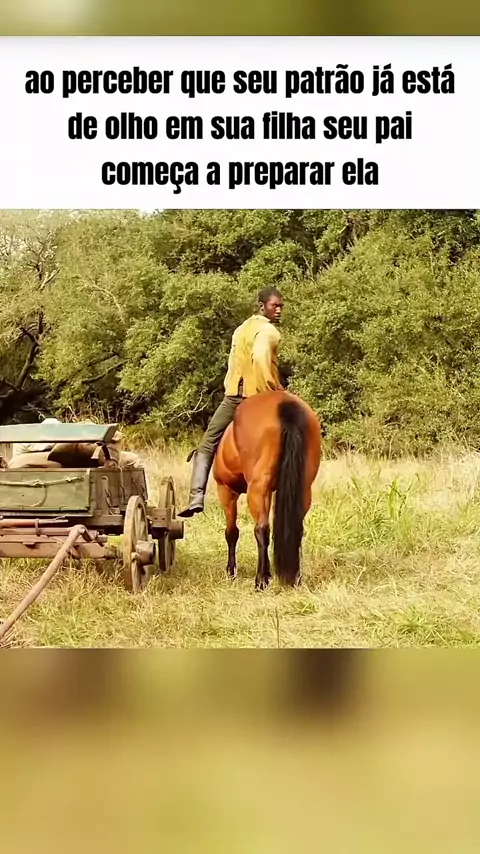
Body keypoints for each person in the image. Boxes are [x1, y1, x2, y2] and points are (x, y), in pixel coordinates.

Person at [178, 287, 285, 518]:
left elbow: (232, 364)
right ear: (261, 306)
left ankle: (196, 497)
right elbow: (260, 357)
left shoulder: (240, 330)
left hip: (233, 397)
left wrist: (231, 386)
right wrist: (271, 387)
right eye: (274, 306)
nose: (278, 310)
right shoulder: (269, 331)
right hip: (257, 396)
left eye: (280, 306)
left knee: (208, 443)